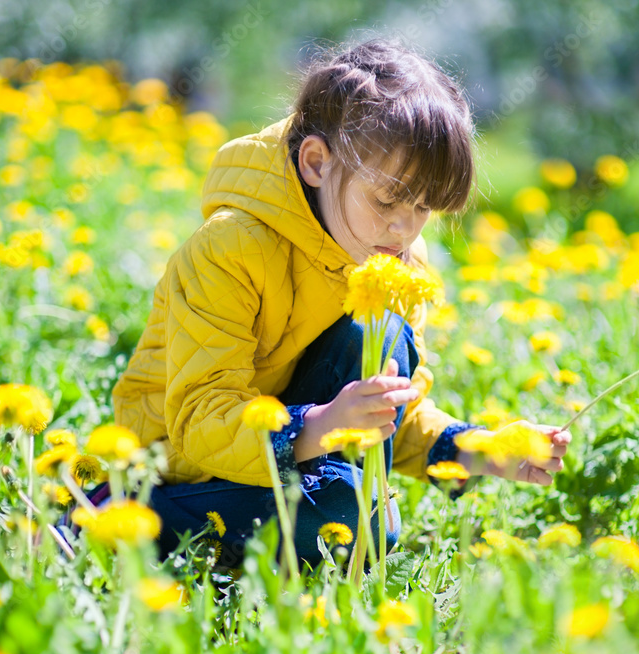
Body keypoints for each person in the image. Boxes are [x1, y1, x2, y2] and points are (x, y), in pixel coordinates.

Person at [76, 39, 571, 567]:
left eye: (424, 208)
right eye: (387, 200)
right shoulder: (231, 247)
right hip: (181, 472)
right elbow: (200, 422)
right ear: (316, 162)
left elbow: (388, 412)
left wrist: (479, 450)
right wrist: (323, 424)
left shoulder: (396, 261)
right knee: (353, 516)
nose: (404, 228)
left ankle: (336, 520)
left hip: (291, 458)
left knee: (360, 493)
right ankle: (106, 516)